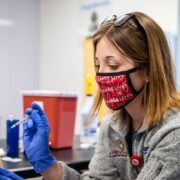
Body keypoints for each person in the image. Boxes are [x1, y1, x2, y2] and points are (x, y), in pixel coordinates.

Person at [1, 11, 180, 179]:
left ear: (148, 70)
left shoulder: (173, 134)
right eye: (97, 66)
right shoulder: (113, 126)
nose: (101, 76)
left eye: (113, 65)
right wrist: (47, 163)